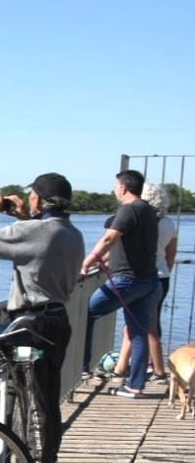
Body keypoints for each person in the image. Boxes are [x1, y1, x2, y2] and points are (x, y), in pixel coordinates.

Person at [0, 174, 85, 463]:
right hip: (57, 320)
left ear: (38, 200)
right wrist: (24, 218)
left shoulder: (33, 231)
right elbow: (43, 243)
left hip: (30, 324)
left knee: (26, 391)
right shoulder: (73, 234)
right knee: (47, 398)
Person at [80, 169, 161, 398]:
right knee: (138, 333)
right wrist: (106, 260)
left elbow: (109, 239)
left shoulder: (128, 210)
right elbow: (130, 246)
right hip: (148, 280)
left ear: (123, 188)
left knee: (86, 314)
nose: (115, 190)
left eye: (116, 186)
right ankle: (135, 386)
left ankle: (82, 367)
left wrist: (89, 260)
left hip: (127, 280)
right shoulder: (148, 211)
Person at [111, 181, 178, 383]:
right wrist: (164, 271)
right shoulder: (169, 223)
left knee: (145, 325)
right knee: (143, 323)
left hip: (138, 276)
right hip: (162, 277)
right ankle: (123, 367)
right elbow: (171, 254)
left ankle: (157, 370)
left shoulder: (138, 220)